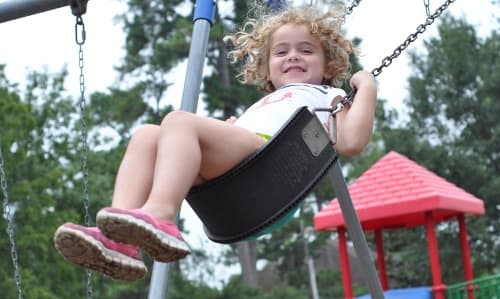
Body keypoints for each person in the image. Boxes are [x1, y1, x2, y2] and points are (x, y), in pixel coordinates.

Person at [53, 4, 377, 282]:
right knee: (147, 135)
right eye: (281, 52)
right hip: (235, 179)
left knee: (178, 121)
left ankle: (162, 215)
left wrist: (366, 87)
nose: (293, 56)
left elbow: (350, 141)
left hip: (269, 177)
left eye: (306, 50)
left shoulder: (327, 95)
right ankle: (119, 239)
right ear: (266, 68)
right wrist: (228, 130)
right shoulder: (267, 103)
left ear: (329, 66)